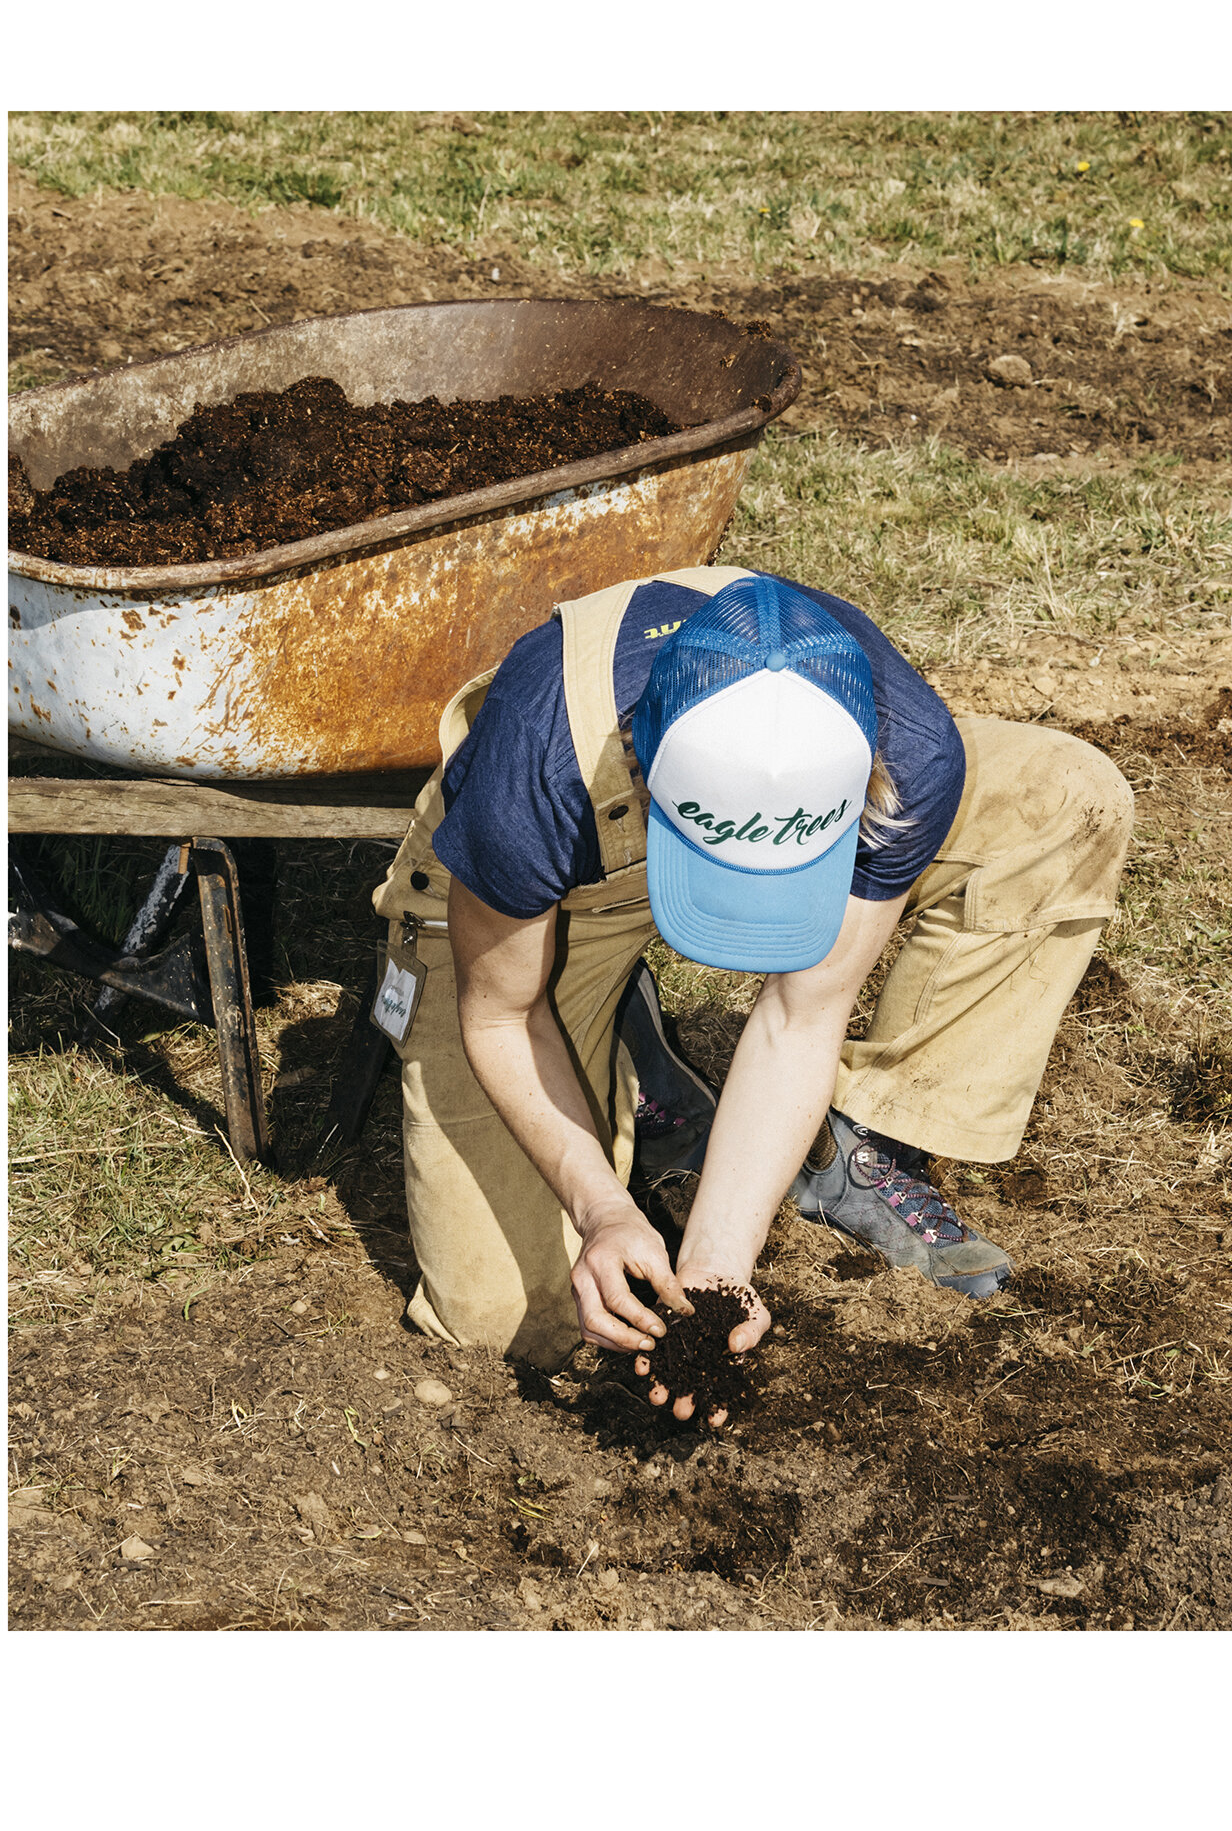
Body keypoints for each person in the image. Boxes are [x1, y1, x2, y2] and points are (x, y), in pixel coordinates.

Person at [373, 566, 1132, 1423]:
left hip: (666, 833)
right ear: (642, 761)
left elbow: (802, 1011)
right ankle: (605, 1022)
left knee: (1067, 797)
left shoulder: (909, 757)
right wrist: (602, 1211)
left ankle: (853, 1145)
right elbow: (503, 1014)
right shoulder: (540, 764)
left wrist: (716, 1268)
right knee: (511, 1321)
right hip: (548, 897)